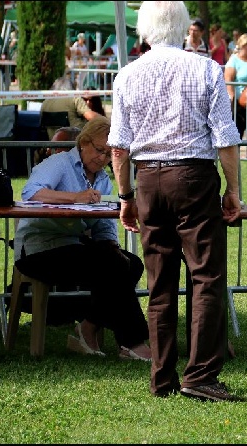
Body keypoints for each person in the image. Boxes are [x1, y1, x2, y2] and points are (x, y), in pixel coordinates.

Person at [108, 0, 243, 402]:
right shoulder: (206, 68)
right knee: (205, 278)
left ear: (144, 30)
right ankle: (200, 375)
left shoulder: (127, 75)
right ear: (185, 28)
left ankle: (162, 377)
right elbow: (225, 137)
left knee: (159, 283)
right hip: (194, 177)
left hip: (148, 177)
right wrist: (233, 190)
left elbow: (118, 147)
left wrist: (125, 196)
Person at [13, 116, 151, 361]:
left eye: (110, 155)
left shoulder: (103, 180)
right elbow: (31, 192)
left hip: (73, 246)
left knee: (131, 263)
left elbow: (104, 225)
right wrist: (74, 197)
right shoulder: (59, 162)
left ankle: (88, 327)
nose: (103, 158)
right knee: (112, 262)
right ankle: (132, 341)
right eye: (99, 150)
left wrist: (111, 245)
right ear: (83, 142)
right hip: (37, 249)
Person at [224, 33, 247, 156]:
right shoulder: (234, 60)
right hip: (238, 100)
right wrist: (232, 97)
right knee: (237, 126)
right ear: (243, 45)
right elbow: (228, 79)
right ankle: (234, 151)